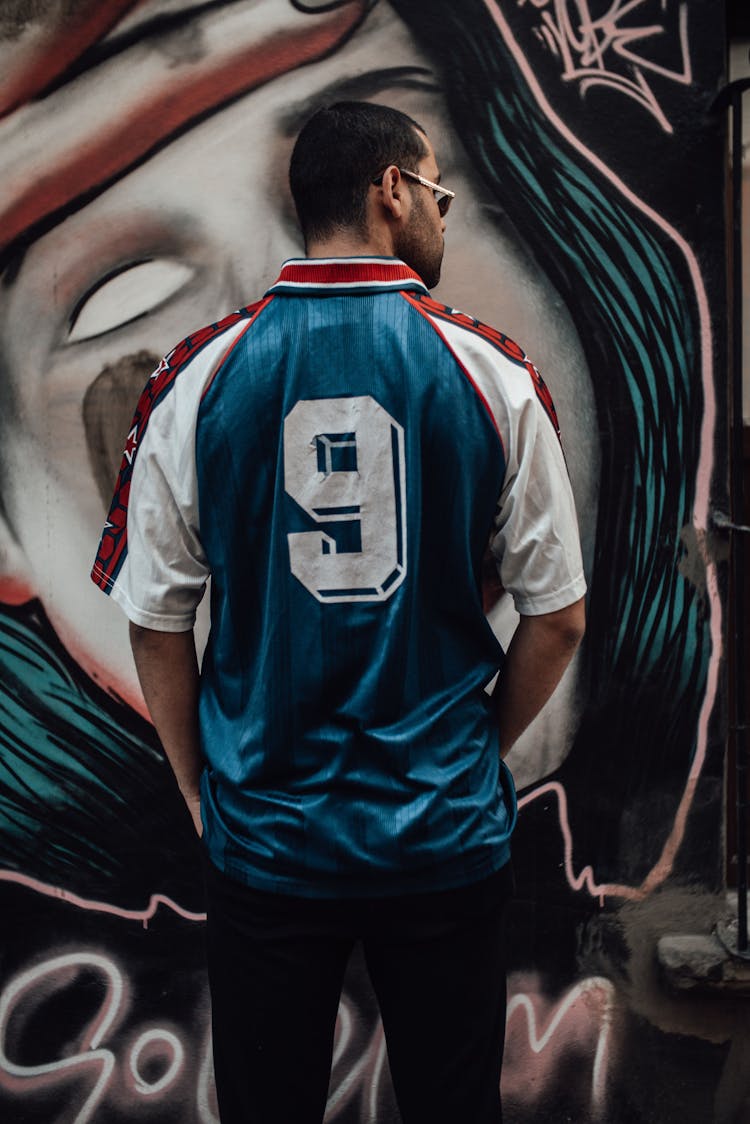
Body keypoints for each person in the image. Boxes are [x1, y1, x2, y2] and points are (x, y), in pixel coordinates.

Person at [91, 100, 585, 1124]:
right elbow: (560, 617)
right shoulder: (494, 374)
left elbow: (156, 619)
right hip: (442, 834)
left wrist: (201, 790)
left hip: (268, 836)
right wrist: (474, 752)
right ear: (390, 190)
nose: (445, 216)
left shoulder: (195, 380)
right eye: (437, 191)